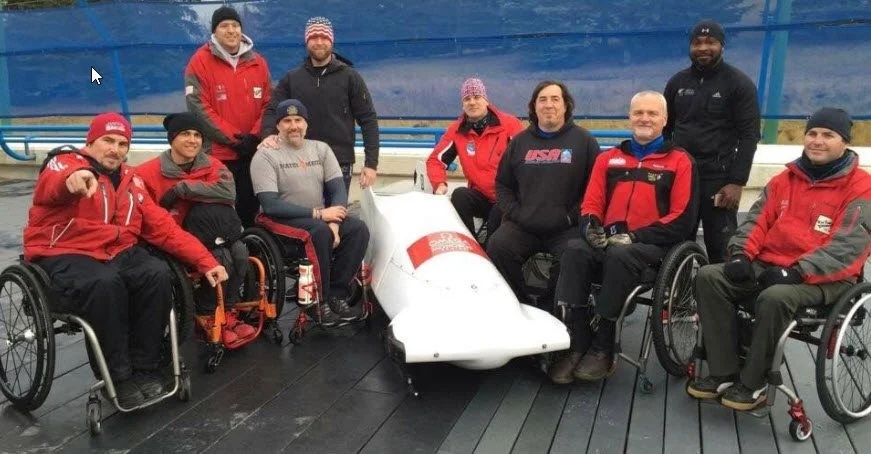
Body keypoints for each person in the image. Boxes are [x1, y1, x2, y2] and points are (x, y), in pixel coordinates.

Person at [23, 113, 228, 408]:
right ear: (90, 142)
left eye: (122, 144)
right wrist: (74, 180)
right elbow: (55, 181)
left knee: (157, 274)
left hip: (116, 250)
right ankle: (118, 375)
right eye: (107, 140)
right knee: (105, 283)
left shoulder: (132, 181)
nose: (115, 149)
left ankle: (145, 367)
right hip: (66, 250)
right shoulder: (67, 163)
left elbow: (165, 229)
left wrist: (206, 261)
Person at [687, 107, 871, 411]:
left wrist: (798, 271)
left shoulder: (861, 187)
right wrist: (740, 254)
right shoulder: (784, 179)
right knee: (710, 276)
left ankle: (754, 382)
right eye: (812, 133)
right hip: (772, 264)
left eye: (828, 135)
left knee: (775, 297)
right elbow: (756, 222)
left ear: (845, 142)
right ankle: (723, 371)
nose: (818, 140)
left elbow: (848, 247)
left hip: (828, 277)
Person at [548, 91, 699, 384]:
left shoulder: (680, 161)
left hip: (653, 247)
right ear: (629, 117)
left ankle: (603, 345)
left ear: (665, 119)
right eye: (638, 113)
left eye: (652, 113)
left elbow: (682, 218)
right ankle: (578, 341)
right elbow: (591, 203)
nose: (645, 118)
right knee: (574, 249)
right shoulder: (608, 158)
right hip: (609, 241)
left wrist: (635, 236)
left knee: (620, 254)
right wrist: (591, 227)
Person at [135, 112, 256, 345]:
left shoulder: (212, 164)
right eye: (185, 134)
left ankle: (228, 310)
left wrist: (183, 189)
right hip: (173, 238)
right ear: (172, 139)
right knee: (221, 257)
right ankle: (207, 313)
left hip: (212, 233)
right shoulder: (146, 173)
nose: (192, 140)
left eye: (197, 135)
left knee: (240, 252)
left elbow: (228, 192)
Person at [251, 99, 370, 323]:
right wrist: (320, 215)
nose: (293, 126)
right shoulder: (265, 155)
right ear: (278, 125)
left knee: (357, 229)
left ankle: (336, 295)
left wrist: (334, 224)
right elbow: (270, 204)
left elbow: (338, 190)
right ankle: (317, 302)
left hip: (318, 218)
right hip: (278, 219)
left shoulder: (320, 149)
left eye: (298, 120)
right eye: (287, 121)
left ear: (306, 123)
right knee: (318, 232)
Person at [486, 80, 599, 308]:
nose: (549, 105)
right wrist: (518, 214)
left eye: (555, 99)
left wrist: (571, 217)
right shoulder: (519, 142)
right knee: (498, 246)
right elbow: (502, 185)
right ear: (534, 107)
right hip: (525, 226)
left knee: (575, 255)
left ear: (566, 106)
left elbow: (594, 189)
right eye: (543, 100)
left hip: (567, 228)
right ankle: (521, 306)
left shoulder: (585, 141)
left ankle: (550, 308)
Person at [664, 19, 761, 263]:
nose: (703, 48)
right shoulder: (677, 82)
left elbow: (749, 136)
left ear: (722, 46)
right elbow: (664, 129)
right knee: (676, 245)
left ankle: (719, 287)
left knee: (721, 247)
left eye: (711, 42)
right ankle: (678, 288)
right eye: (697, 43)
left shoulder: (739, 84)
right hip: (681, 177)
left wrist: (737, 182)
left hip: (718, 180)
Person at [260, 16, 379, 192]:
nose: (319, 42)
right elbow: (272, 110)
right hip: (299, 161)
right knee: (304, 209)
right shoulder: (292, 78)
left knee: (336, 208)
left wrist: (371, 164)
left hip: (339, 162)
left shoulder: (350, 77)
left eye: (324, 37)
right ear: (306, 42)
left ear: (331, 41)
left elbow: (368, 119)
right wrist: (268, 135)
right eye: (314, 37)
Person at [185, 5, 272, 228]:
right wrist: (234, 139)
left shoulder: (258, 62)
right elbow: (198, 107)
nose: (231, 30)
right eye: (224, 26)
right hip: (218, 154)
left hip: (253, 151)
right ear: (214, 31)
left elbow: (269, 103)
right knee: (221, 212)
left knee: (250, 209)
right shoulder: (199, 62)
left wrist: (254, 137)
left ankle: (251, 246)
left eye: (235, 25)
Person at [425, 77, 524, 239]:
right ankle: (469, 242)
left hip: (507, 197)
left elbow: (526, 158)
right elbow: (435, 160)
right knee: (460, 195)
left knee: (497, 218)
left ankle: (491, 249)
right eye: (467, 99)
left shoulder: (509, 124)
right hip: (481, 197)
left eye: (477, 97)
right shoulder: (457, 130)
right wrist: (439, 184)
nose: (472, 102)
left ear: (486, 100)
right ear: (463, 104)